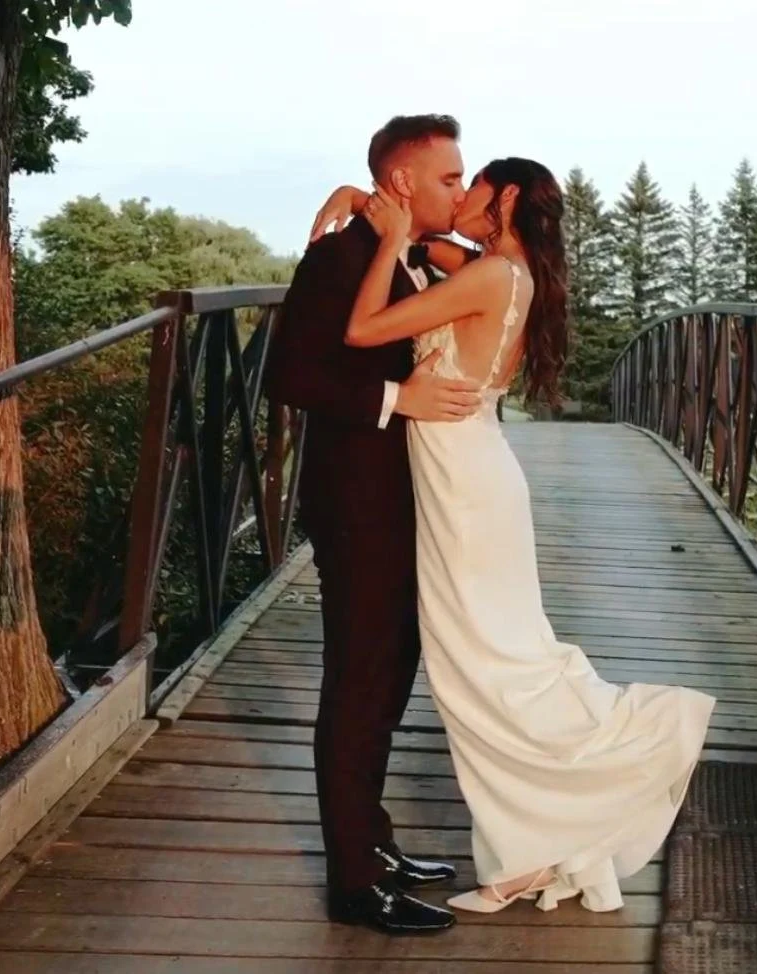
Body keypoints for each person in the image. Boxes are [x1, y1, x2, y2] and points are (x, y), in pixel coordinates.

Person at [318, 157, 716, 915]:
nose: (457, 199)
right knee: (491, 662)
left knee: (486, 670)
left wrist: (390, 232)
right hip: (472, 475)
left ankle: (628, 753)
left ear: (502, 198)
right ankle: (535, 845)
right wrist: (373, 206)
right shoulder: (504, 270)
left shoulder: (489, 278)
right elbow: (433, 247)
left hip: (467, 488)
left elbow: (363, 326)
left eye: (471, 187)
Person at [265, 114, 480, 935]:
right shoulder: (338, 257)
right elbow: (291, 374)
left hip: (407, 502)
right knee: (358, 685)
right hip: (357, 503)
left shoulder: (416, 255)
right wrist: (398, 400)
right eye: (449, 178)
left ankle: (374, 840)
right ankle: (353, 884)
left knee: (391, 673)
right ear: (403, 182)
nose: (458, 190)